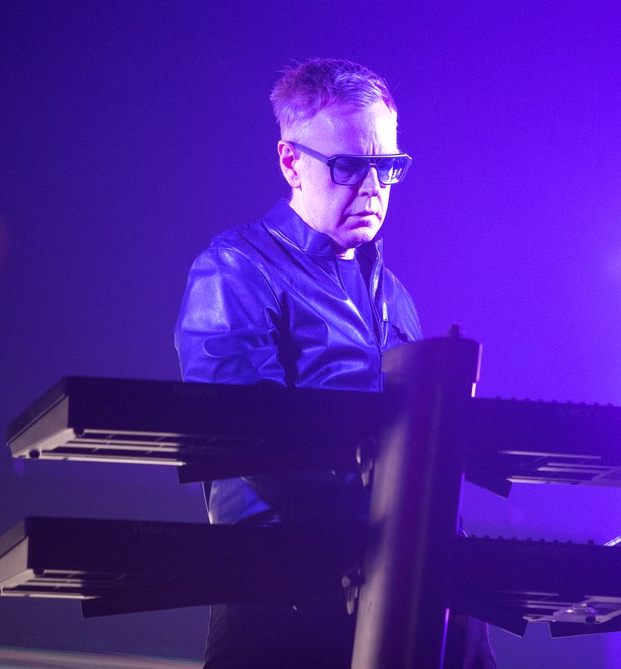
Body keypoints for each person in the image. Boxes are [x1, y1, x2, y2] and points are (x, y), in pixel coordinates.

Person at [175, 58, 495, 668]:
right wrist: (397, 528)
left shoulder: (392, 292)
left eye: (388, 167)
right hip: (282, 590)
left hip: (396, 576)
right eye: (349, 165)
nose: (373, 188)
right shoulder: (237, 268)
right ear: (291, 162)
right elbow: (250, 437)